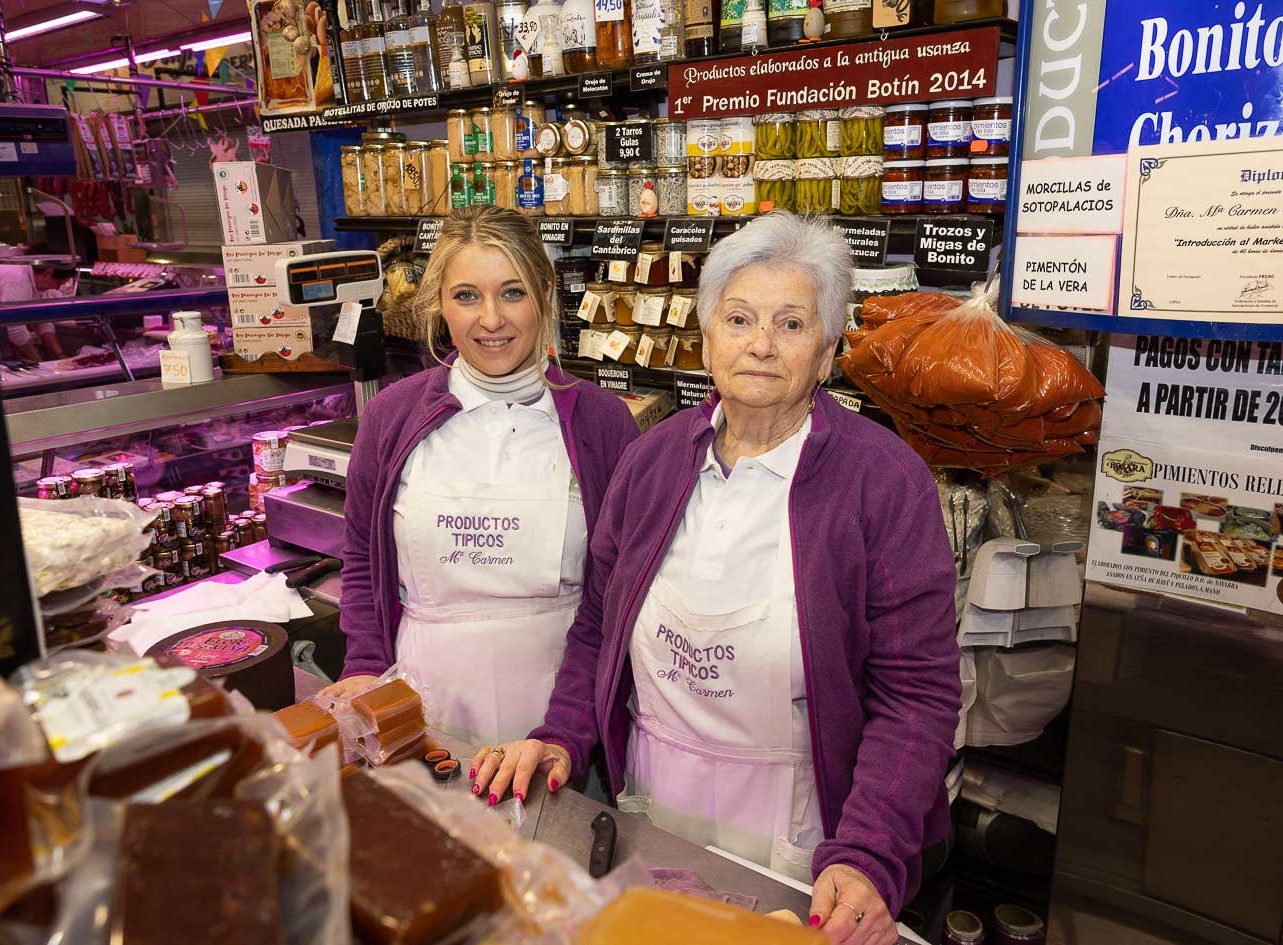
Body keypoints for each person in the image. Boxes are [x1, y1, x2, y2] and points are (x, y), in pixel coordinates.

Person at [470, 212, 960, 945]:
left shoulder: (883, 481)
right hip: (652, 803)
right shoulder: (654, 458)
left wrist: (868, 851)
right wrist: (562, 734)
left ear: (826, 353)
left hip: (794, 826)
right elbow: (600, 625)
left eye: (791, 324)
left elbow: (915, 695)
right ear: (706, 339)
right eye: (738, 318)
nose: (761, 343)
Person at [321, 206, 639, 748]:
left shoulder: (602, 422)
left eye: (512, 293)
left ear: (544, 293)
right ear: (439, 302)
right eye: (467, 295)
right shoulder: (391, 415)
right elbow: (361, 558)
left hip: (559, 710)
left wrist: (566, 732)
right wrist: (365, 667)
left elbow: (616, 597)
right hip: (422, 699)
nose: (491, 319)